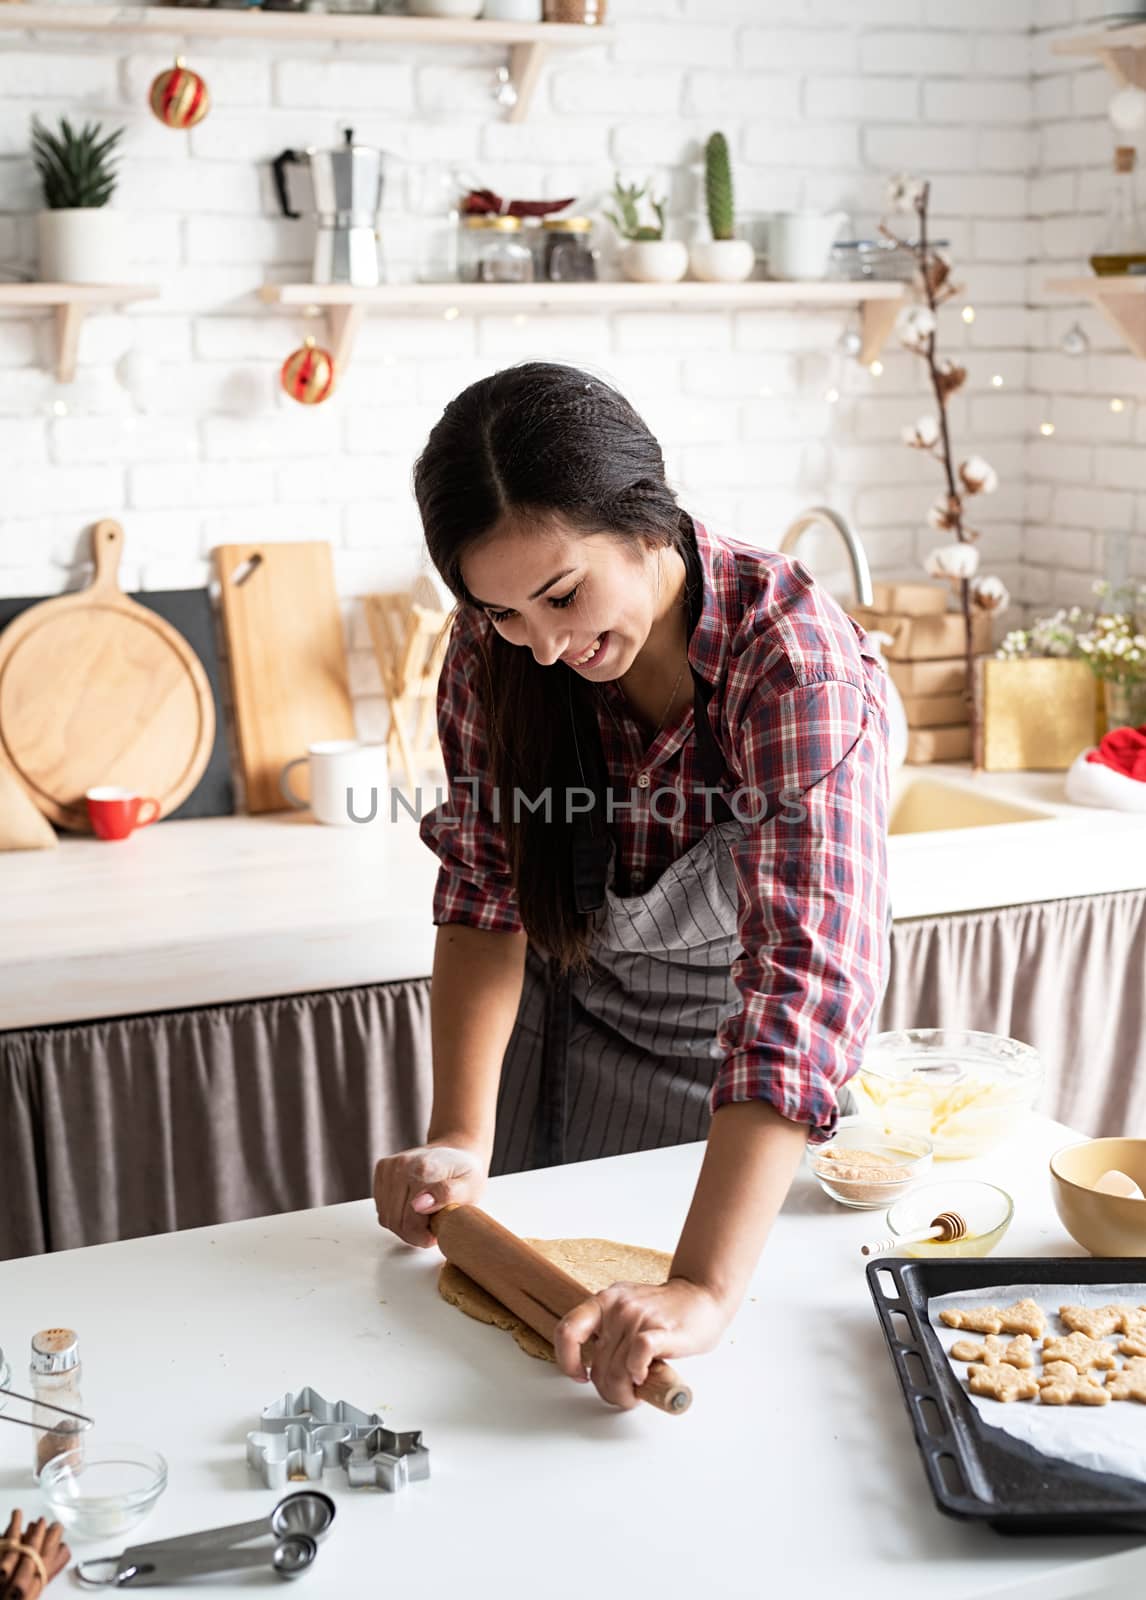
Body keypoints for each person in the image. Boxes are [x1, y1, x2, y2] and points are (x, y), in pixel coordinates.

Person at [374, 362, 890, 1410]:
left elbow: (799, 987)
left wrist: (700, 1285)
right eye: (507, 612)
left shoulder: (791, 665)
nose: (548, 646)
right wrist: (458, 1143)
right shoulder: (490, 653)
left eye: (563, 594)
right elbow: (484, 896)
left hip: (725, 1090)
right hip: (543, 1037)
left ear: (647, 517)